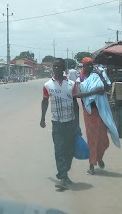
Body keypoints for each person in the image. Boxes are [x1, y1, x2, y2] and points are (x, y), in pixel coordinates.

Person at [40, 58, 79, 190]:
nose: (56, 68)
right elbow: (44, 102)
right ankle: (62, 176)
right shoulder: (47, 85)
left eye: (59, 66)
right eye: (54, 66)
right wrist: (42, 118)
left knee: (70, 150)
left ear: (64, 69)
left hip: (71, 122)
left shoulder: (72, 84)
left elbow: (75, 104)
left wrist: (77, 124)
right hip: (57, 123)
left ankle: (65, 172)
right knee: (59, 150)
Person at [77, 57, 120, 175]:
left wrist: (101, 76)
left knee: (104, 140)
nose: (90, 67)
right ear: (83, 66)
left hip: (101, 110)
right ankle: (92, 165)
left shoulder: (98, 75)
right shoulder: (80, 78)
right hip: (90, 112)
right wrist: (95, 92)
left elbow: (106, 88)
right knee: (92, 138)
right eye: (87, 65)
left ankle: (99, 157)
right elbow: (78, 94)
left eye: (91, 65)